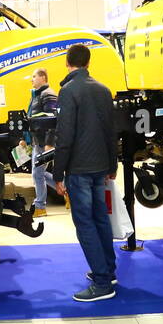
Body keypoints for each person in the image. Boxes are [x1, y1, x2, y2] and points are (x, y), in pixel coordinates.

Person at [52, 43, 119, 302]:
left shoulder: (68, 92)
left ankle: (102, 283)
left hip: (79, 168)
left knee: (85, 223)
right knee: (100, 218)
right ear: (89, 63)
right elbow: (110, 132)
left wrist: (58, 174)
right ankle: (109, 271)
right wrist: (112, 165)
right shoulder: (103, 90)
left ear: (67, 63)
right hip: (100, 166)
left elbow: (64, 136)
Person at [26, 69, 58, 218]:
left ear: (43, 78)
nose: (31, 79)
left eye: (34, 76)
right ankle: (67, 190)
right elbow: (31, 120)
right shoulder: (36, 95)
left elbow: (53, 121)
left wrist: (49, 143)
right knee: (38, 173)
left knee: (37, 173)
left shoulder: (48, 94)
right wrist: (25, 139)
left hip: (44, 142)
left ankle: (40, 206)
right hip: (37, 141)